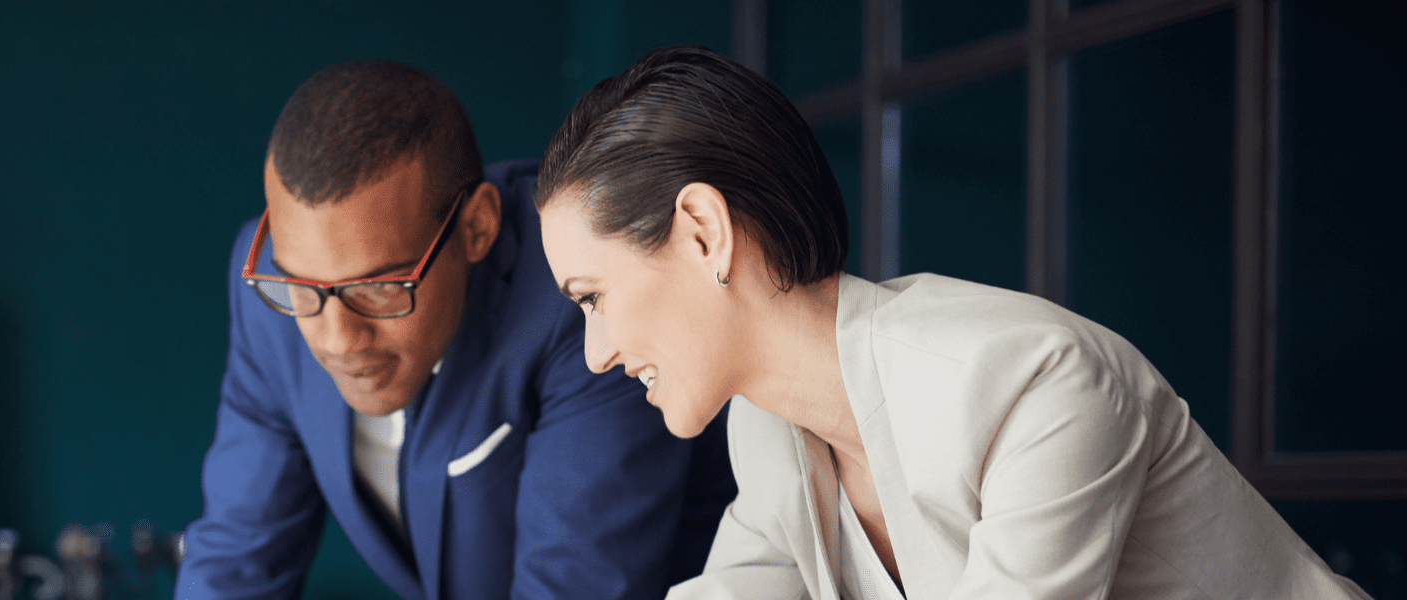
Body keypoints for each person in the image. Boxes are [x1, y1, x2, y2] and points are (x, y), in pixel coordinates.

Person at [532, 45, 1371, 600]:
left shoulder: (1030, 381)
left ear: (704, 234)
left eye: (592, 297)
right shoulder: (768, 430)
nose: (596, 354)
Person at [177, 60, 735, 600]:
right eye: (302, 286)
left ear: (478, 227)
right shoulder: (270, 297)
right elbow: (236, 554)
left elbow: (576, 586)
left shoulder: (583, 298)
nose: (336, 339)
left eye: (379, 287)